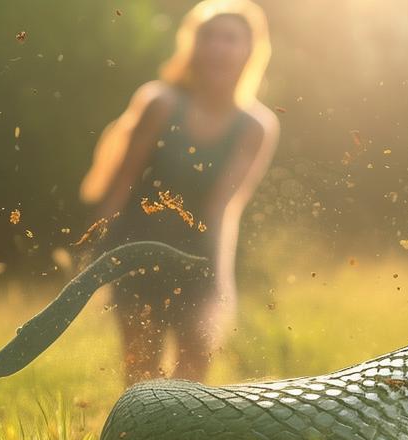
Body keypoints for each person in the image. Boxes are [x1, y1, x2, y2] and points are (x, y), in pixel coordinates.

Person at [79, 0, 278, 384]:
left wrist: (220, 282)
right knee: (140, 377)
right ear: (193, 47)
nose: (218, 48)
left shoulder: (257, 126)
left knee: (192, 377)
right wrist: (94, 251)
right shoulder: (161, 103)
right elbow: (120, 185)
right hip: (134, 250)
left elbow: (223, 208)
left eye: (230, 39)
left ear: (250, 51)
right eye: (208, 38)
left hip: (198, 256)